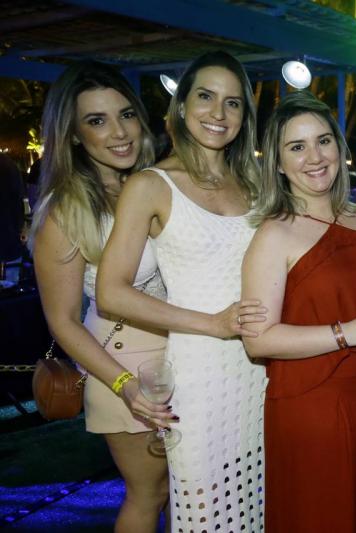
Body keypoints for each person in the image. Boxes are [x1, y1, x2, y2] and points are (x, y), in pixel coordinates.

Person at [96, 51, 268, 531]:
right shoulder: (151, 185)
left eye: (233, 103)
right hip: (201, 375)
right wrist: (212, 323)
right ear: (182, 105)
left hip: (262, 373)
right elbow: (111, 293)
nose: (218, 113)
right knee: (205, 514)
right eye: (206, 97)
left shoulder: (255, 183)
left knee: (258, 509)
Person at [241, 90, 356, 532]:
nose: (315, 157)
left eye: (323, 141)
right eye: (297, 147)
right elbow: (258, 340)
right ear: (279, 163)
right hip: (313, 406)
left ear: (340, 146)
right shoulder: (274, 235)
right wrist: (347, 332)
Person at [29, 61, 172, 532]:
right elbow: (62, 320)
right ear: (73, 135)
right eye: (97, 120)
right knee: (149, 494)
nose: (119, 132)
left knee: (184, 488)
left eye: (126, 114)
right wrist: (123, 385)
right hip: (125, 371)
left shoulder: (152, 183)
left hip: (182, 359)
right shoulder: (65, 212)